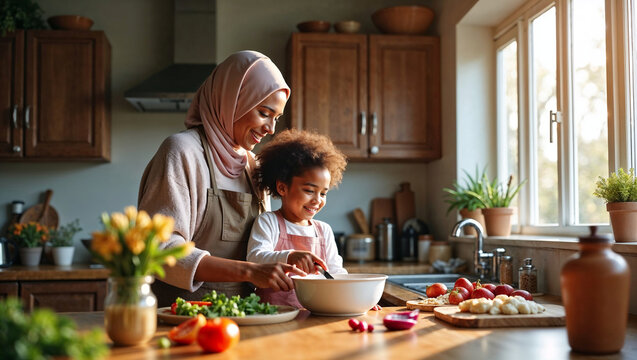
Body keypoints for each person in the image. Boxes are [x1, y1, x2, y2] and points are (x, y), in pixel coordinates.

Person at [138, 51, 306, 307]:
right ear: (232, 100)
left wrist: (287, 259)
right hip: (183, 317)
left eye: (276, 118)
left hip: (247, 315)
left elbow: (263, 246)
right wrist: (248, 272)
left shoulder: (253, 165)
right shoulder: (182, 151)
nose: (271, 129)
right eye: (263, 112)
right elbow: (160, 250)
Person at [247, 129, 348, 308]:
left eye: (323, 193)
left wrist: (355, 297)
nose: (317, 200)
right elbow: (255, 259)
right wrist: (290, 256)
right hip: (274, 315)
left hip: (314, 314)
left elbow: (336, 273)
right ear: (282, 187)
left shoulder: (323, 230)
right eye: (309, 191)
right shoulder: (268, 222)